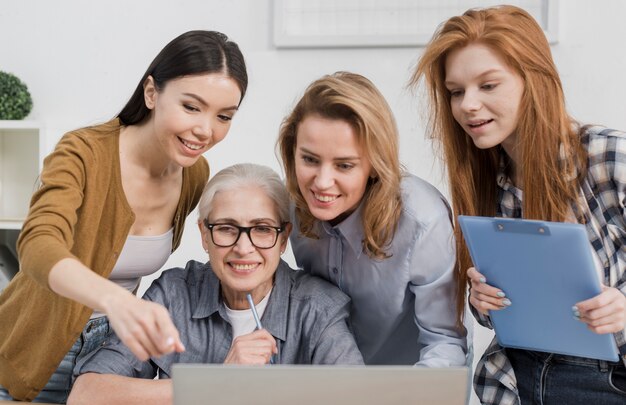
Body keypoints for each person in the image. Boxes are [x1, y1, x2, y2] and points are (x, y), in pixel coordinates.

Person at [0, 30, 248, 402]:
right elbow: (37, 245)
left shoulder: (194, 173)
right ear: (152, 93)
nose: (205, 130)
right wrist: (117, 301)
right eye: (191, 107)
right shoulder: (83, 152)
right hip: (32, 351)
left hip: (110, 360)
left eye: (224, 116)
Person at [410, 5, 626, 404]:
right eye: (456, 92)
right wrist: (483, 301)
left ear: (534, 81)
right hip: (514, 380)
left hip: (606, 381)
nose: (467, 105)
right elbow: (503, 311)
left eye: (487, 86)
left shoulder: (608, 157)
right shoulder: (486, 180)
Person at [66, 163, 363, 405]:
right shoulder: (174, 294)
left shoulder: (319, 308)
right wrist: (216, 382)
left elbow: (357, 397)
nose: (243, 248)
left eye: (261, 229)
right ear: (205, 236)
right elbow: (87, 394)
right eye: (226, 228)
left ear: (283, 238)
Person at [277, 71, 468, 366]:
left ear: (375, 164)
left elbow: (444, 342)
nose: (322, 182)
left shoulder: (422, 219)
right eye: (310, 159)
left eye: (344, 165)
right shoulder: (293, 209)